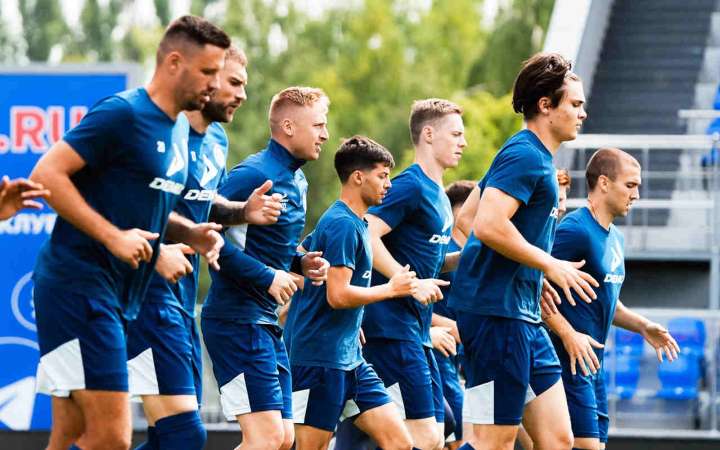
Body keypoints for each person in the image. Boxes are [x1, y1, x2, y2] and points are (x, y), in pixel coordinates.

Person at [29, 15, 231, 450]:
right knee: (112, 438)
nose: (214, 85)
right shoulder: (123, 113)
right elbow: (47, 175)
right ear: (174, 62)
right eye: (208, 72)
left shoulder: (179, 129)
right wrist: (113, 238)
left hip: (119, 297)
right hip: (79, 287)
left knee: (70, 433)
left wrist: (189, 233)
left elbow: (146, 204)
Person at [126, 46, 283, 450]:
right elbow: (125, 201)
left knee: (169, 437)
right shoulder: (158, 131)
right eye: (233, 82)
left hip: (181, 300)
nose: (242, 94)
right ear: (206, 78)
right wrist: (159, 251)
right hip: (144, 296)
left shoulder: (216, 139)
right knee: (183, 435)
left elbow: (204, 202)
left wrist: (242, 211)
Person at [448, 52, 598, 450]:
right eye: (575, 104)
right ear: (546, 105)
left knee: (558, 439)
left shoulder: (533, 157)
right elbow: (486, 224)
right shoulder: (524, 155)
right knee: (491, 442)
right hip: (496, 318)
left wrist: (525, 271)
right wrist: (548, 264)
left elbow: (469, 218)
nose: (582, 113)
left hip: (522, 316)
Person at [201, 86, 330, 450]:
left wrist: (299, 262)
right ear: (288, 127)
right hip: (234, 321)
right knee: (268, 437)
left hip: (265, 324)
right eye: (318, 125)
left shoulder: (298, 179)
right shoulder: (252, 174)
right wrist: (268, 277)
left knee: (285, 438)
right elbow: (209, 239)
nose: (325, 134)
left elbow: (264, 246)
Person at [541, 148, 680, 450]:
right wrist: (568, 334)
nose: (636, 195)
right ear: (604, 183)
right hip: (566, 361)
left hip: (594, 364)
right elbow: (533, 286)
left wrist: (643, 326)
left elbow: (606, 301)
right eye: (630, 185)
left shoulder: (615, 237)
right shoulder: (574, 230)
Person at [289, 135, 421, 450]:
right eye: (383, 175)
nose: (389, 184)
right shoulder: (342, 224)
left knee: (400, 443)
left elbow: (301, 257)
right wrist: (390, 289)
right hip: (318, 360)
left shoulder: (356, 223)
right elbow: (337, 296)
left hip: (351, 360)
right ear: (358, 177)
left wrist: (352, 319)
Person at [352, 98, 466, 450]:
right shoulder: (410, 185)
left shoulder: (440, 196)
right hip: (390, 329)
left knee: (439, 429)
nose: (463, 143)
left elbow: (431, 261)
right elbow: (365, 233)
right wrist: (411, 284)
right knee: (424, 436)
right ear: (428, 134)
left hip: (416, 331)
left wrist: (470, 257)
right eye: (456, 134)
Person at [429, 180, 475, 450]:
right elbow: (411, 298)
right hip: (437, 350)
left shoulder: (468, 251)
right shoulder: (441, 249)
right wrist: (451, 327)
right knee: (455, 431)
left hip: (459, 356)